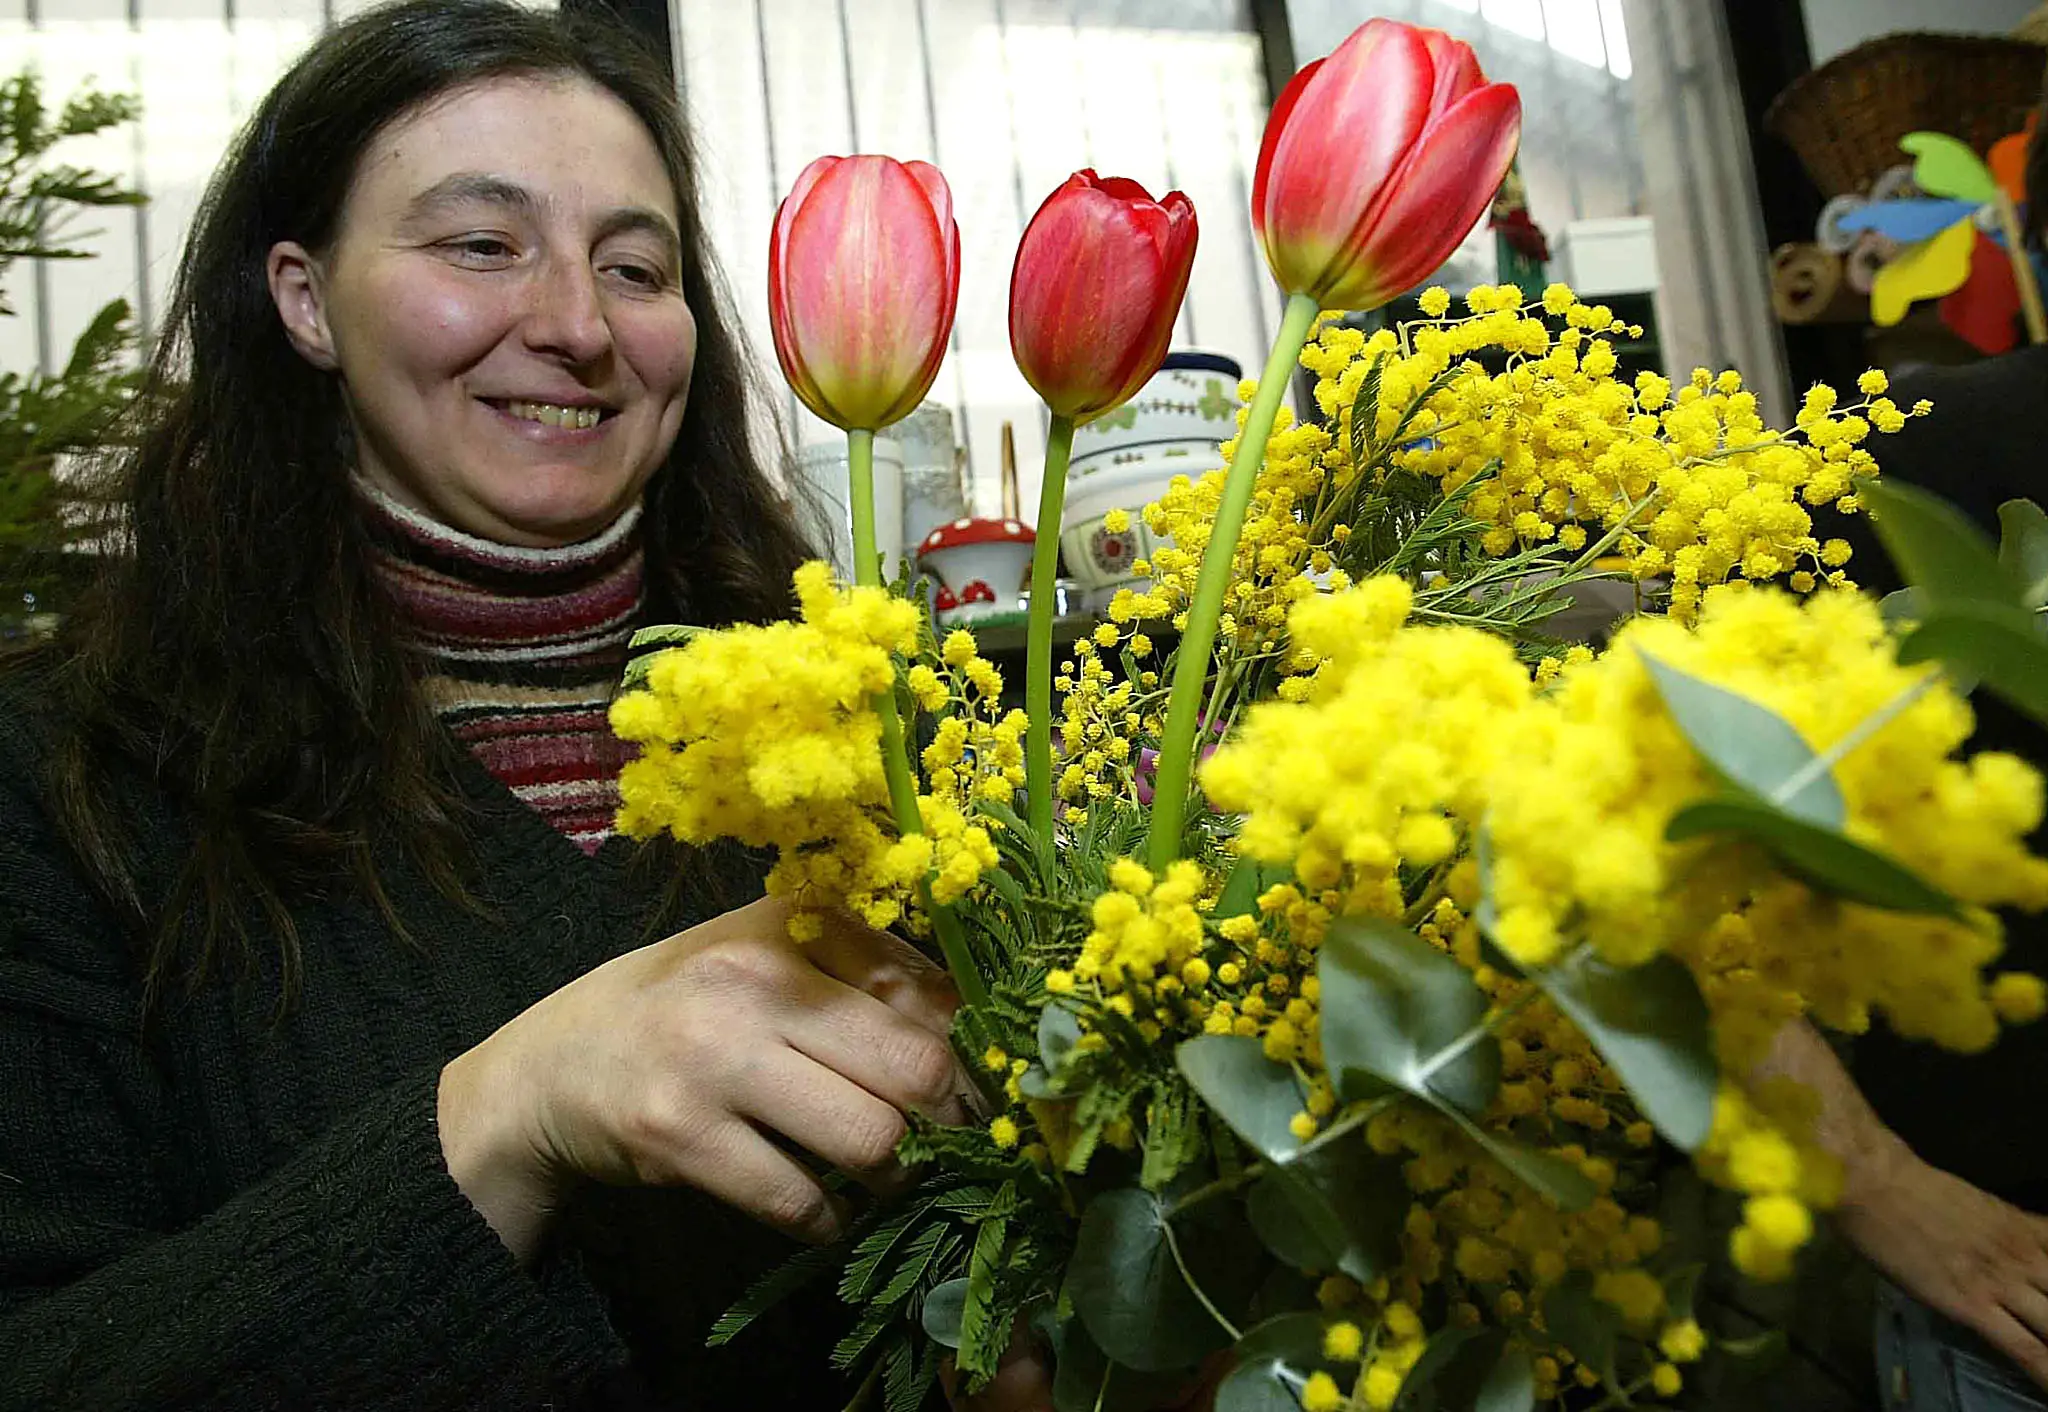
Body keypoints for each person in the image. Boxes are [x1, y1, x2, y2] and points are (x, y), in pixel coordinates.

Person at [0, 3, 1051, 1408]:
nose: (574, 325)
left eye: (635, 264)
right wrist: (508, 1114)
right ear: (306, 298)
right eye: (480, 244)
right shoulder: (65, 779)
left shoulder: (900, 747)